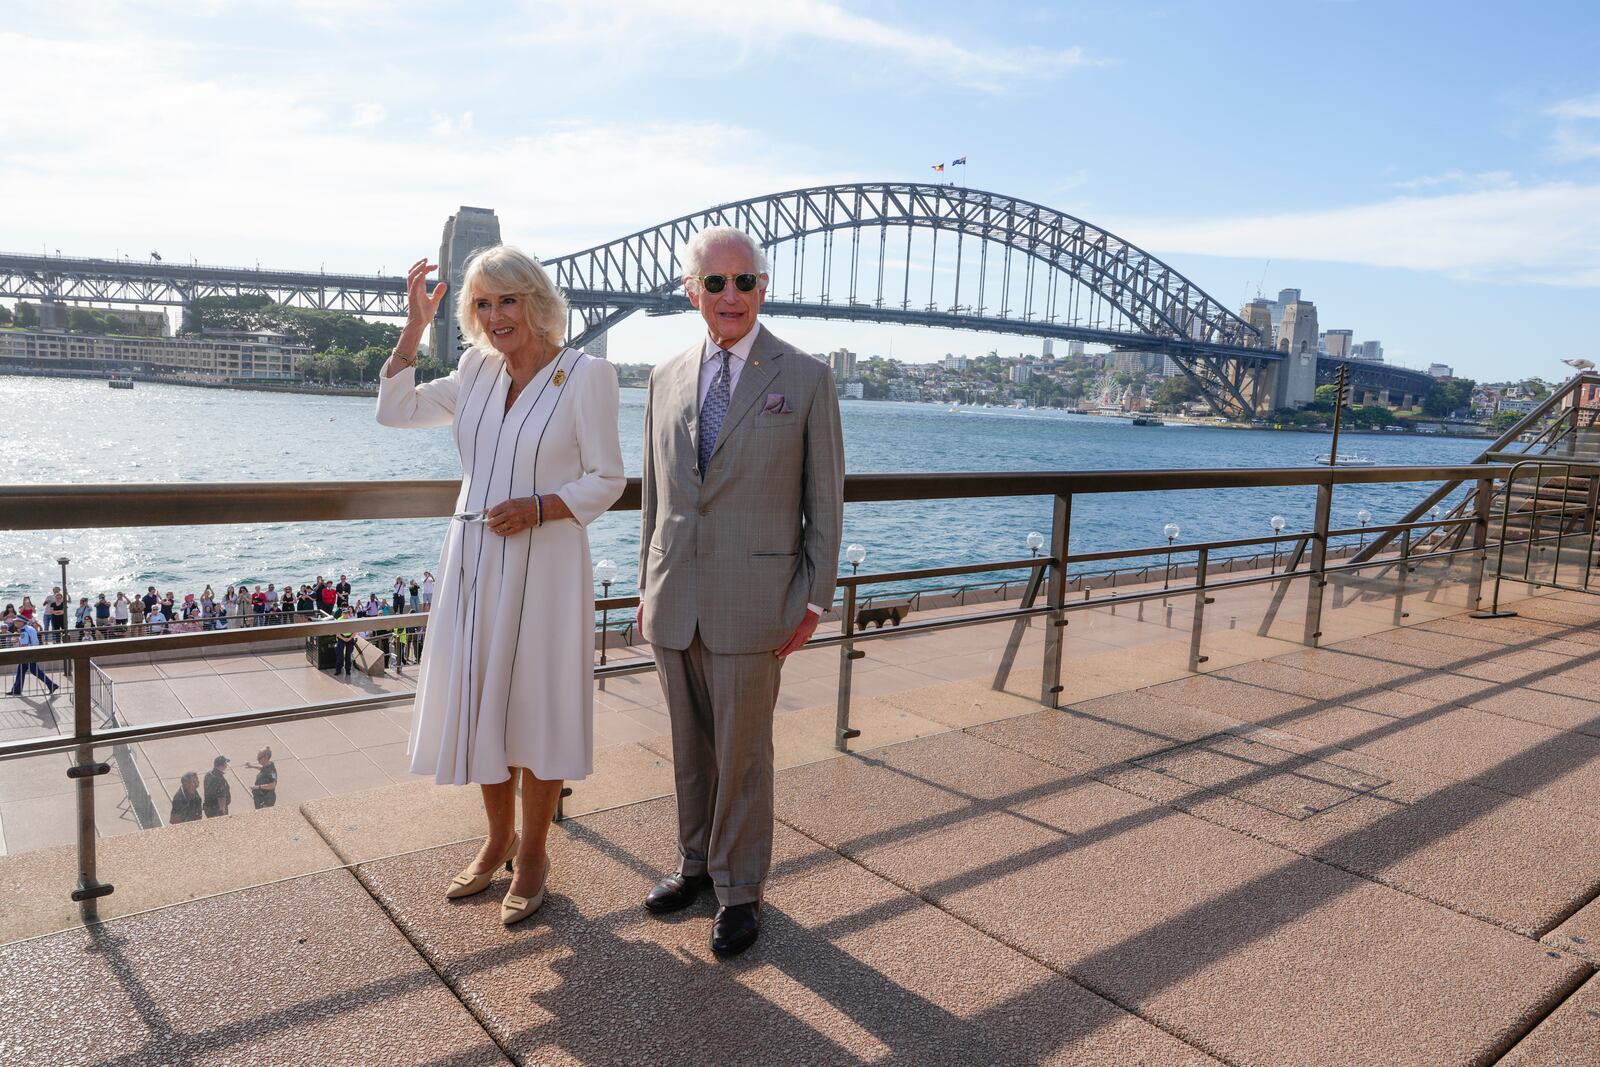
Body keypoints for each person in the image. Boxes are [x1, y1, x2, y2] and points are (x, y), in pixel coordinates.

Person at [376, 247, 624, 927]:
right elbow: (396, 411)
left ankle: (535, 853)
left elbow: (609, 477)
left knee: (534, 705)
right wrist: (413, 329)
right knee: (481, 698)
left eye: (507, 300)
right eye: (482, 304)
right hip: (474, 557)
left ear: (535, 301)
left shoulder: (587, 375)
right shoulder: (475, 370)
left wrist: (541, 505)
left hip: (545, 559)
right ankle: (496, 839)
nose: (495, 316)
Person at [637, 226, 844, 955]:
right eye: (716, 283)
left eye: (746, 281)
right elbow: (657, 496)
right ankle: (695, 863)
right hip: (673, 595)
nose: (732, 296)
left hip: (758, 601)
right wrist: (644, 585)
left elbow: (826, 500)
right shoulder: (663, 377)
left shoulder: (807, 377)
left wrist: (815, 598)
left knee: (745, 753)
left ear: (764, 288)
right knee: (690, 747)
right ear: (692, 292)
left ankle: (739, 889)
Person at [7, 618, 60, 695]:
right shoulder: (30, 628)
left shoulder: (24, 631)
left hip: (27, 654)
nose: (15, 623)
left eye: (16, 621)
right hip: (31, 653)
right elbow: (35, 642)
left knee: (35, 671)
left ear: (21, 622)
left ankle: (51, 685)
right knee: (21, 670)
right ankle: (16, 689)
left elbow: (24, 645)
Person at [334, 611, 356, 677]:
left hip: (350, 638)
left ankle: (348, 670)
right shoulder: (338, 620)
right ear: (342, 614)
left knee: (348, 655)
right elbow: (337, 632)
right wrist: (343, 639)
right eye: (345, 613)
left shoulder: (351, 620)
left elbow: (355, 631)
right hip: (341, 637)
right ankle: (338, 670)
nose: (346, 615)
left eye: (347, 613)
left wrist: (350, 638)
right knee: (340, 655)